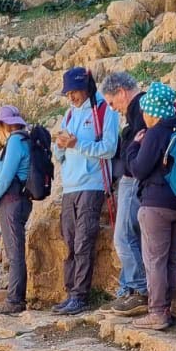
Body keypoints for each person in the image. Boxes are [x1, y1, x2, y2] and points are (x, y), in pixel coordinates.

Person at [52, 66, 120, 316]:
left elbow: (109, 148)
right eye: (68, 93)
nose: (71, 97)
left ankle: (80, 295)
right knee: (70, 241)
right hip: (70, 186)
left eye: (75, 91)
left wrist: (77, 143)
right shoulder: (69, 115)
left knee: (83, 240)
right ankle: (71, 293)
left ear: (86, 88)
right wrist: (60, 146)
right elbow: (60, 154)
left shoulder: (104, 111)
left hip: (93, 184)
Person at [123, 81, 176, 330]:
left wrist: (134, 146)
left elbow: (138, 169)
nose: (143, 115)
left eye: (145, 111)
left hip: (156, 205)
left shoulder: (155, 133)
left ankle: (157, 313)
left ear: (152, 111)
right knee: (171, 259)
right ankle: (168, 308)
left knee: (154, 261)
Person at [101, 70, 146, 312]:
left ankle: (139, 290)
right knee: (131, 237)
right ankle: (129, 288)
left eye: (112, 102)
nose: (113, 108)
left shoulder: (138, 108)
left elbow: (136, 148)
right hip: (139, 181)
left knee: (123, 238)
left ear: (121, 92)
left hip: (132, 179)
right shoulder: (144, 107)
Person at [0, 106, 32, 314]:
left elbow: (4, 179)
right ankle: (15, 297)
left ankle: (15, 300)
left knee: (14, 252)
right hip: (19, 200)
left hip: (12, 202)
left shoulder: (15, 141)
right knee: (15, 250)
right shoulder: (25, 139)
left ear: (4, 125)